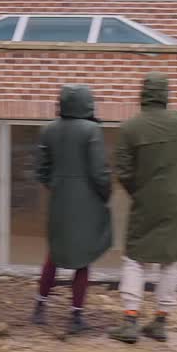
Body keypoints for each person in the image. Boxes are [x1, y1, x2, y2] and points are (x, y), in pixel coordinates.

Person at [109, 73, 177, 344]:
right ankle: (160, 321)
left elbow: (123, 170)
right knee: (171, 259)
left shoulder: (131, 128)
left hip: (146, 201)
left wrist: (140, 193)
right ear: (165, 95)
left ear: (142, 95)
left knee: (135, 258)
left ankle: (130, 320)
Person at [33, 85, 112, 336]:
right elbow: (100, 172)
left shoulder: (49, 130)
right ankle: (76, 314)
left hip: (59, 200)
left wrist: (55, 186)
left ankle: (39, 307)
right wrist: (105, 194)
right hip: (86, 201)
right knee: (83, 257)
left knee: (54, 253)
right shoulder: (92, 131)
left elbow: (41, 169)